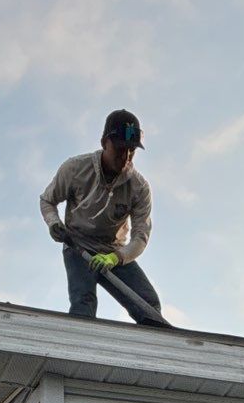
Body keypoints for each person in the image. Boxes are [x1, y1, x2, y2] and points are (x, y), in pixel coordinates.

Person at [39, 110, 161, 324]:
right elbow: (47, 200)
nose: (126, 157)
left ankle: (156, 353)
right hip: (79, 247)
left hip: (114, 251)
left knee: (148, 304)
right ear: (105, 142)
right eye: (120, 149)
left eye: (131, 150)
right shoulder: (75, 169)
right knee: (83, 303)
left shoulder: (139, 188)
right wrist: (54, 223)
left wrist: (116, 258)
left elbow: (141, 236)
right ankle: (77, 351)